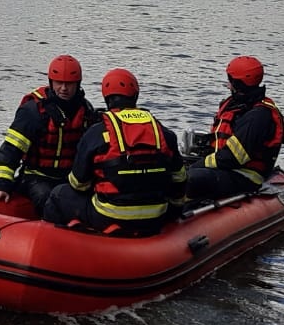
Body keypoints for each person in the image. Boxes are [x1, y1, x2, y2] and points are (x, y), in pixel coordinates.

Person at [43, 68, 187, 236]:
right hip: (156, 217)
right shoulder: (163, 132)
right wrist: (174, 213)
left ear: (107, 98)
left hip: (110, 217)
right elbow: (179, 180)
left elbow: (78, 184)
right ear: (135, 96)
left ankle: (55, 242)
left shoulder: (96, 132)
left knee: (58, 193)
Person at [0, 54, 97, 210]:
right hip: (36, 177)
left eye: (69, 84)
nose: (64, 88)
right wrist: (2, 185)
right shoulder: (33, 111)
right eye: (59, 83)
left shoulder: (86, 110)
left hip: (70, 178)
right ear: (51, 82)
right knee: (47, 198)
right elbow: (10, 150)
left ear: (77, 84)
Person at [184, 55, 284, 202]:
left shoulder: (258, 116)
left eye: (230, 81)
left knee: (190, 178)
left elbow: (232, 158)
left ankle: (180, 209)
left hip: (245, 175)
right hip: (224, 167)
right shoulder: (235, 105)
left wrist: (196, 166)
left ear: (239, 84)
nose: (228, 85)